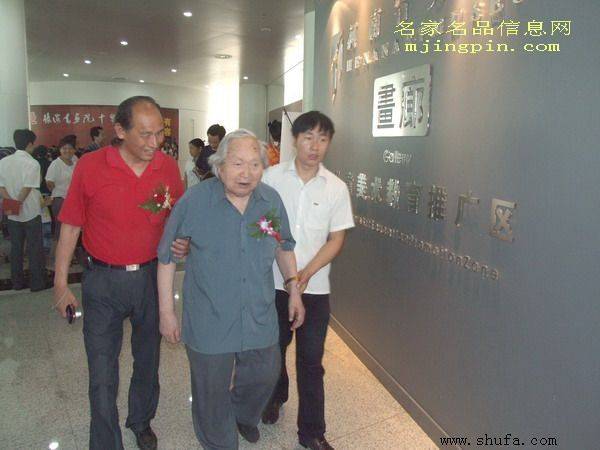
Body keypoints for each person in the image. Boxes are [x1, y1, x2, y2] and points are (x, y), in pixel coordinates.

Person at [52, 96, 188, 450]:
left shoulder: (167, 167)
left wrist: (183, 243)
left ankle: (141, 420)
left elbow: (177, 221)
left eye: (159, 133)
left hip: (151, 279)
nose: (154, 143)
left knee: (148, 360)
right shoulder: (91, 166)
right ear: (120, 131)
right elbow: (71, 225)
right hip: (103, 281)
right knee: (101, 370)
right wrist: (60, 283)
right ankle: (105, 441)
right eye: (145, 134)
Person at [157, 129, 306, 450]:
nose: (246, 173)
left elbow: (283, 246)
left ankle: (241, 415)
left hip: (257, 314)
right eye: (237, 164)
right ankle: (219, 441)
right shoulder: (195, 202)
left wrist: (294, 289)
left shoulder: (270, 201)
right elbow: (167, 256)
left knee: (265, 373)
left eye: (254, 164)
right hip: (209, 317)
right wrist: (167, 312)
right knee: (211, 392)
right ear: (220, 165)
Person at [261, 111, 354, 450]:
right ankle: (275, 395)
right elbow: (264, 229)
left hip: (314, 290)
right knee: (273, 351)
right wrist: (289, 278)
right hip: (274, 285)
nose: (315, 146)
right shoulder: (271, 178)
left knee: (311, 361)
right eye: (308, 138)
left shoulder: (336, 188)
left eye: (323, 139)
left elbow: (336, 239)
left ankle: (312, 432)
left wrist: (305, 273)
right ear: (295, 140)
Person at [0, 129, 47, 291]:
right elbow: (28, 188)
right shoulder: (32, 163)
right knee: (35, 249)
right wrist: (18, 204)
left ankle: (17, 283)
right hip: (31, 211)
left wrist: (12, 205)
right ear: (30, 144)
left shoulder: (3, 162)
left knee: (16, 248)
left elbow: (1, 187)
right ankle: (37, 284)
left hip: (11, 211)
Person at [45, 136, 77, 240]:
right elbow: (49, 182)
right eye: (64, 148)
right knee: (60, 229)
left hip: (73, 200)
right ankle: (57, 249)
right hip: (60, 201)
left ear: (74, 150)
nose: (67, 151)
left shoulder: (75, 162)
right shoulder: (56, 164)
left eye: (70, 148)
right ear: (60, 149)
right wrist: (58, 189)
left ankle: (70, 249)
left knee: (72, 228)